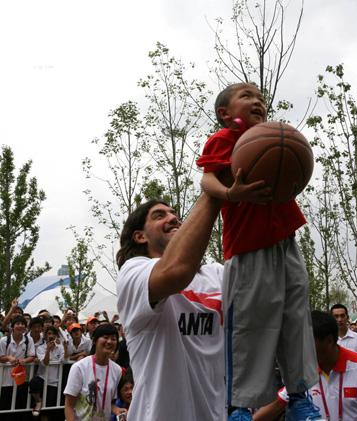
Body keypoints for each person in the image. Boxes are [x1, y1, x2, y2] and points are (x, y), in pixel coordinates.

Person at [196, 82, 319, 421]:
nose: (257, 101)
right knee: (249, 326)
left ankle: (298, 396)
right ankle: (238, 406)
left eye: (261, 98)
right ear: (225, 113)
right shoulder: (226, 139)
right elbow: (207, 180)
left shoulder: (274, 136)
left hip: (286, 241)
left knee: (295, 318)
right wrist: (230, 193)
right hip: (248, 247)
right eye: (246, 96)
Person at [116, 195, 225, 420]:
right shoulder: (133, 272)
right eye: (160, 215)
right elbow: (176, 272)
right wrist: (213, 194)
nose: (174, 218)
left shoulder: (216, 274)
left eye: (175, 214)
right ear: (140, 236)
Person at [254, 311, 357, 421]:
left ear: (329, 340)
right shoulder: (302, 372)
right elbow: (278, 404)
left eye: (307, 342)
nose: (302, 348)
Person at [64, 323, 124, 421]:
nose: (109, 341)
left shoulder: (117, 370)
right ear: (95, 340)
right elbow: (69, 405)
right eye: (105, 337)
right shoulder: (79, 367)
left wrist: (116, 409)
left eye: (113, 339)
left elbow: (109, 402)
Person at [0, 315, 36, 416]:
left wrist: (24, 360)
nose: (20, 326)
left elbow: (32, 356)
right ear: (12, 326)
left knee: (19, 407)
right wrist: (8, 358)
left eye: (23, 324)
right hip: (5, 380)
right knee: (5, 407)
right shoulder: (4, 340)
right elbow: (0, 357)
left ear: (26, 327)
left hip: (21, 379)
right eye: (18, 324)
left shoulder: (29, 340)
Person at [29, 325, 66, 419]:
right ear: (45, 336)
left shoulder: (60, 347)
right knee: (34, 383)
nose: (51, 335)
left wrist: (65, 346)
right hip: (42, 377)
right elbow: (45, 363)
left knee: (47, 410)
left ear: (56, 336)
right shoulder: (40, 348)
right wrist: (48, 350)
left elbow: (63, 360)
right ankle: (38, 401)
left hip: (54, 381)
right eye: (49, 333)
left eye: (53, 333)